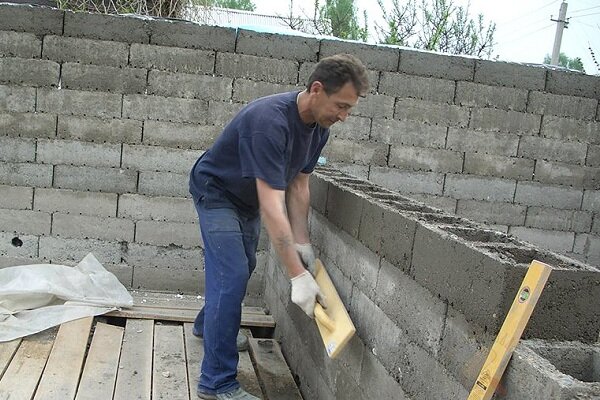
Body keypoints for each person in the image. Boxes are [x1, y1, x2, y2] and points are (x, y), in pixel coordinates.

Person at [188, 53, 369, 400]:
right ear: (317, 89)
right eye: (341, 106)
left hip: (246, 199)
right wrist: (297, 275)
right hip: (217, 192)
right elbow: (272, 202)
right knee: (233, 276)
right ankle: (217, 383)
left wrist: (301, 241)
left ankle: (208, 326)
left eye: (349, 109)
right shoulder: (270, 122)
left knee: (243, 267)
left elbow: (298, 187)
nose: (344, 117)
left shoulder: (319, 129)